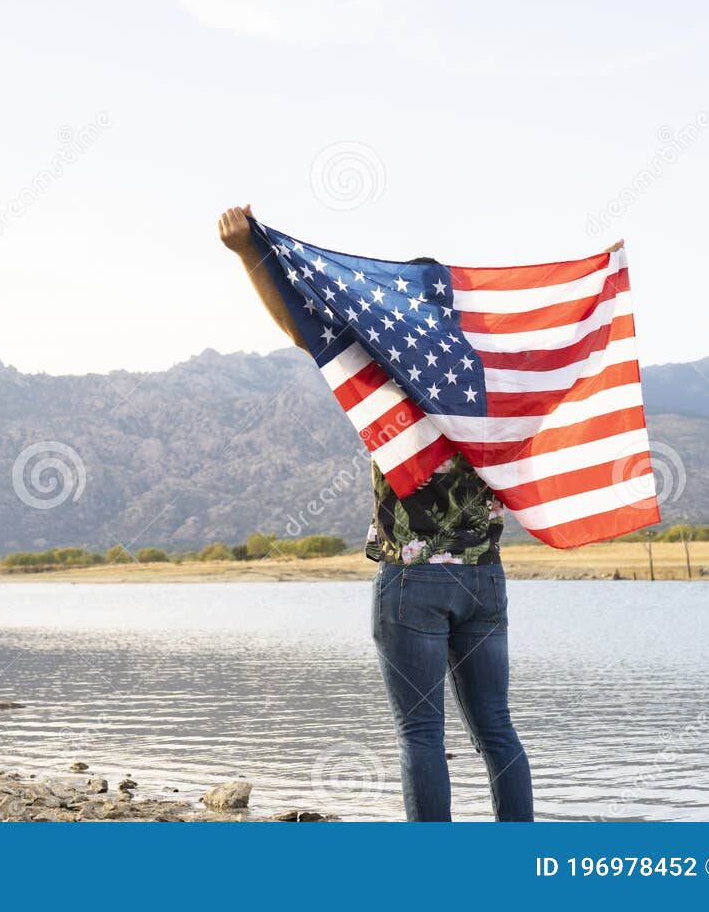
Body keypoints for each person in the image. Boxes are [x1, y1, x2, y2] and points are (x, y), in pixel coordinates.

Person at [216, 204, 533, 822]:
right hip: (485, 577)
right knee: (497, 729)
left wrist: (248, 255)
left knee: (421, 735)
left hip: (413, 578)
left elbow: (300, 330)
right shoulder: (491, 378)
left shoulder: (391, 370)